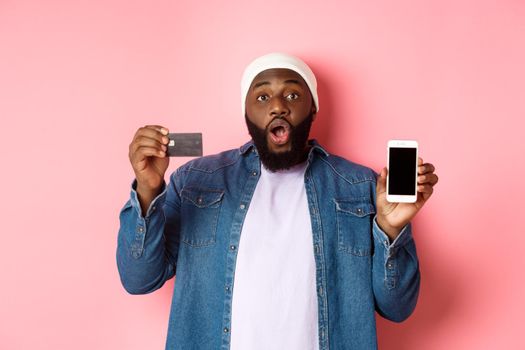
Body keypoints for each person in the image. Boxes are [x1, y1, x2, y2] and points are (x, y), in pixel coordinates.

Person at [116, 52, 439, 350]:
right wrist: (147, 190)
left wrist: (391, 229)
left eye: (293, 94)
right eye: (262, 96)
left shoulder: (360, 185)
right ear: (247, 112)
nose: (278, 106)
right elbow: (139, 280)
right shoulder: (197, 180)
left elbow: (397, 308)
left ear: (313, 108)